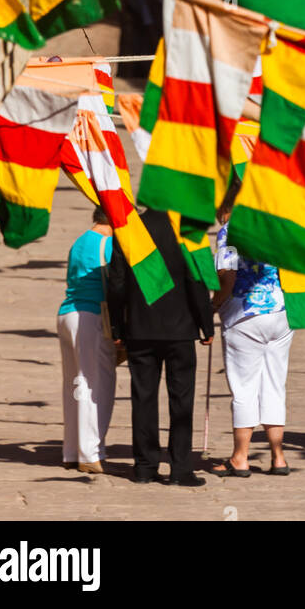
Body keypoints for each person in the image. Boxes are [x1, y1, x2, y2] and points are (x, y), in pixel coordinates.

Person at [107, 207, 214, 486]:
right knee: (182, 400)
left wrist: (117, 326)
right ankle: (180, 468)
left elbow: (116, 282)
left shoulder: (130, 228)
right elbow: (196, 280)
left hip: (140, 330)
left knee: (143, 398)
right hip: (180, 330)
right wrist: (206, 323)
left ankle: (144, 467)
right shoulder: (187, 231)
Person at [210, 194, 294, 477]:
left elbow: (227, 277)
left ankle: (240, 457)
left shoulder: (230, 230)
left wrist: (213, 306)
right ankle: (278, 457)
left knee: (244, 389)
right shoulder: (275, 227)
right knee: (274, 385)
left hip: (244, 314)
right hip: (280, 313)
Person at [57, 206, 118, 475]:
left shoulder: (80, 240)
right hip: (92, 315)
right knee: (95, 386)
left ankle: (71, 450)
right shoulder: (109, 243)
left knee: (73, 385)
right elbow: (115, 285)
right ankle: (90, 452)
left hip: (67, 312)